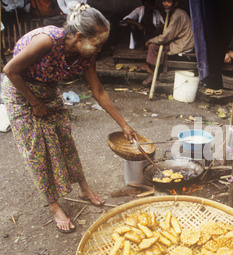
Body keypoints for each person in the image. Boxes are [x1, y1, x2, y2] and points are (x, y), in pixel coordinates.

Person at [1, 3, 139, 233]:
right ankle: (54, 205)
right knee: (37, 151)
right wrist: (35, 104)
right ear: (79, 36)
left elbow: (99, 92)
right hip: (20, 92)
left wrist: (124, 124)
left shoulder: (86, 56)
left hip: (47, 91)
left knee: (66, 142)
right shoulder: (47, 41)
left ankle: (84, 188)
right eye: (97, 43)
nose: (100, 49)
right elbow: (9, 70)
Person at [189, 0, 233, 93]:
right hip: (217, 46)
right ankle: (212, 82)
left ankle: (214, 82)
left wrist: (229, 50)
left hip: (225, 45)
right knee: (213, 52)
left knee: (218, 53)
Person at [142, 0, 194, 86]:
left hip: (183, 44)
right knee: (156, 44)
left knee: (153, 46)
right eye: (164, 1)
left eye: (169, 1)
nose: (165, 4)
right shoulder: (175, 13)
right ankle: (155, 70)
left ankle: (153, 73)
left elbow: (166, 37)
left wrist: (150, 40)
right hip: (181, 41)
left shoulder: (177, 15)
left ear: (175, 3)